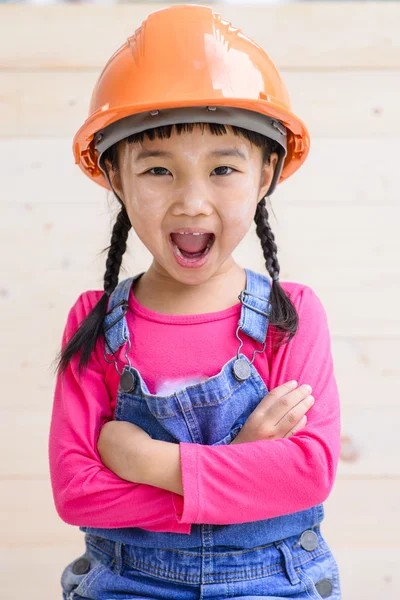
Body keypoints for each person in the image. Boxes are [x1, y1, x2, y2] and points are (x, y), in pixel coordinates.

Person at [48, 4, 342, 599]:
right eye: (157, 169)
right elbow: (78, 491)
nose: (192, 201)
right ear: (115, 179)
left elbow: (307, 473)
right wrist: (242, 462)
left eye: (224, 169)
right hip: (127, 584)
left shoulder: (293, 317)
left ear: (265, 176)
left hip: (274, 584)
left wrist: (149, 461)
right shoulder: (95, 321)